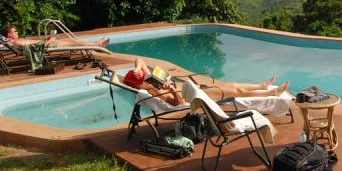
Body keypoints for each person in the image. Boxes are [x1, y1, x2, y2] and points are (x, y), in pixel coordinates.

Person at [122, 58, 289, 106]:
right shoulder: (155, 93)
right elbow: (179, 104)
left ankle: (262, 85)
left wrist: (138, 68)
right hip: (195, 96)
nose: (145, 76)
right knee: (236, 92)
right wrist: (172, 90)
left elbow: (139, 60)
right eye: (141, 78)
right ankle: (270, 92)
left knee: (231, 85)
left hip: (195, 87)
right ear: (139, 85)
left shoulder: (148, 80)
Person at [3, 24, 110, 47]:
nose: (17, 32)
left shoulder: (17, 41)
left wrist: (48, 38)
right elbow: (37, 48)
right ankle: (97, 44)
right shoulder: (17, 42)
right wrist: (49, 40)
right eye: (15, 31)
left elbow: (35, 43)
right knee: (75, 42)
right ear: (9, 34)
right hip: (48, 45)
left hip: (46, 42)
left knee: (72, 40)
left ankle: (96, 44)